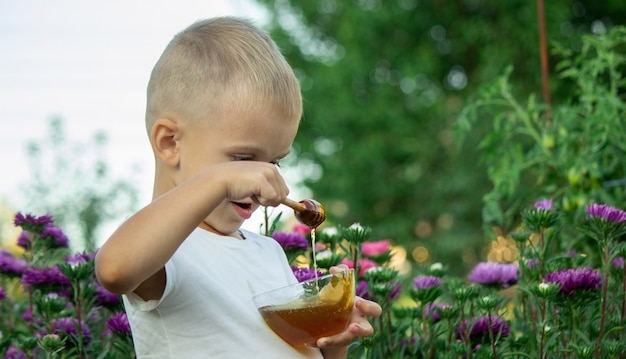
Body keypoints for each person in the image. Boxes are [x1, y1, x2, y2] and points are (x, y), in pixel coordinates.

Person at [95, 16, 382, 359]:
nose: (262, 178)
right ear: (170, 143)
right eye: (244, 158)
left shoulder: (268, 253)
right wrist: (220, 180)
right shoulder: (167, 251)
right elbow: (114, 269)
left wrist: (333, 337)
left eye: (275, 162)